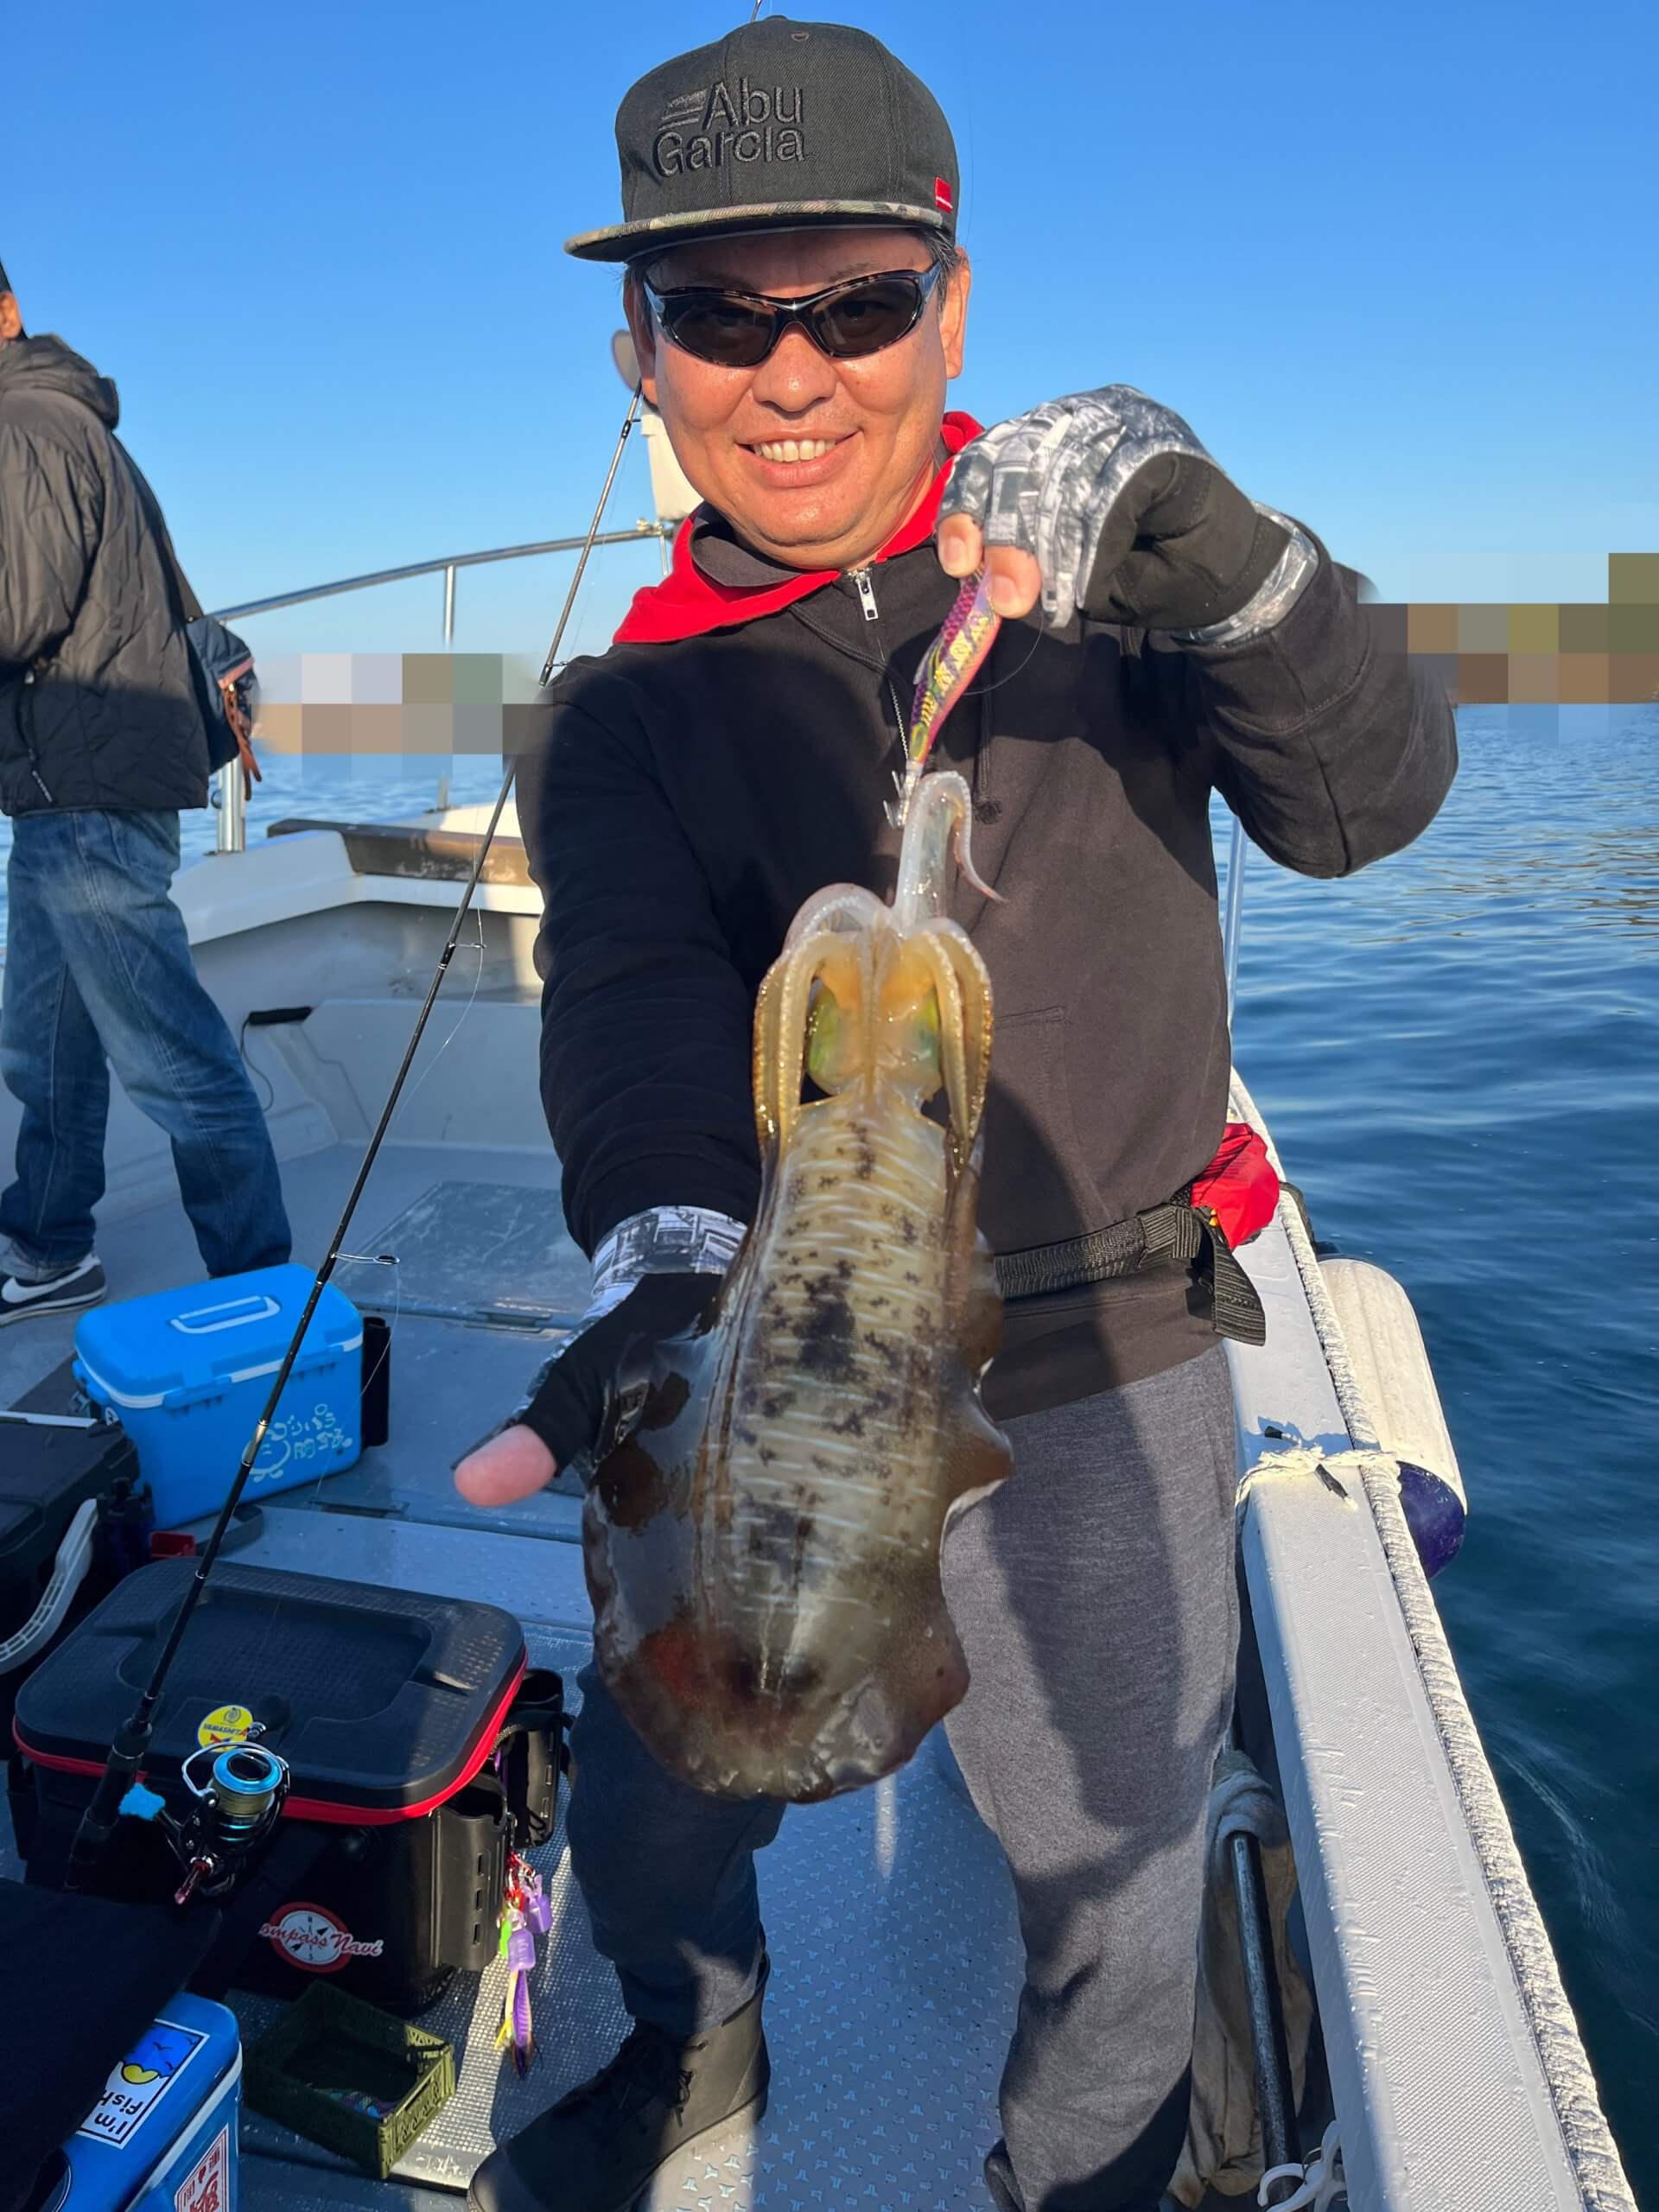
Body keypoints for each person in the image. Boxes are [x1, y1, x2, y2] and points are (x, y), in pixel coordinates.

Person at [457, 20, 1456, 2212]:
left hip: (1107, 1340)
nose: (790, 373)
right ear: (641, 354)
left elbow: (1367, 801)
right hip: (774, 1343)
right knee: (658, 1781)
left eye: (857, 303)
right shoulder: (623, 705)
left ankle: (1082, 2168)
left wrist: (1237, 569)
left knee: (1107, 1844)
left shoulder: (1124, 594)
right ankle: (690, 2035)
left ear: (954, 307)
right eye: (720, 313)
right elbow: (632, 1003)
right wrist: (664, 1261)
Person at [0, 260, 291, 1320]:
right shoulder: (61, 420)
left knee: (173, 1058)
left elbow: (15, 614)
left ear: (5, 313)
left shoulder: (26, 424)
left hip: (88, 791)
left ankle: (263, 1294)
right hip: (66, 789)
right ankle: (48, 1246)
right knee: (48, 1047)